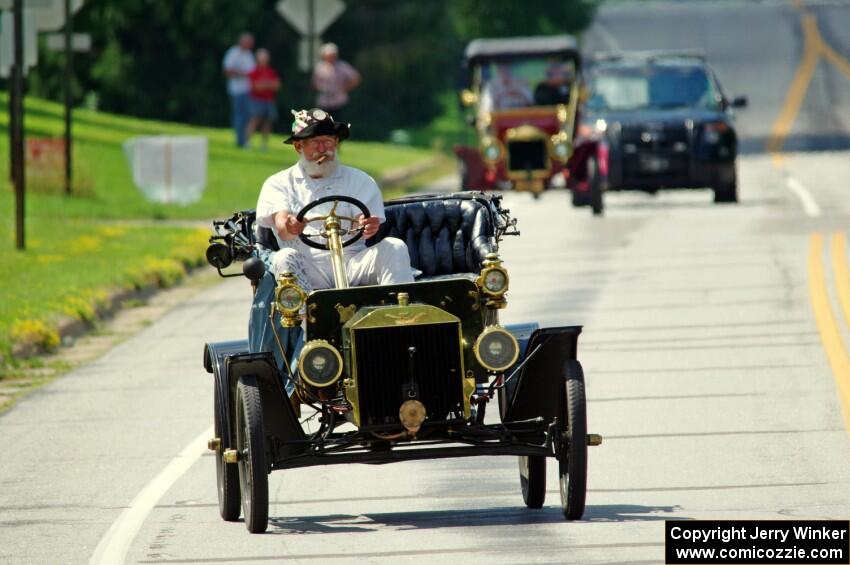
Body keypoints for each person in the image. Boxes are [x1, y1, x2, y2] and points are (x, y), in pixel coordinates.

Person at [256, 108, 413, 291]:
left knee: (394, 246)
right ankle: (303, 315)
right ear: (298, 147)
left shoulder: (359, 179)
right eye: (315, 143)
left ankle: (398, 313)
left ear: (336, 142)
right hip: (307, 266)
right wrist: (291, 226)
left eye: (328, 142)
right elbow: (282, 226)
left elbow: (365, 220)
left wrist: (368, 225)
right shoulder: (279, 183)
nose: (323, 150)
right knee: (284, 257)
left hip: (352, 263)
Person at [311, 43, 361, 122]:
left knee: (338, 122)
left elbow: (355, 78)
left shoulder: (342, 66)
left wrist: (346, 88)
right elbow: (315, 82)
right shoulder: (320, 67)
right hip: (324, 100)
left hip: (339, 100)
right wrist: (322, 88)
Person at [222, 32, 256, 148]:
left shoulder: (249, 54)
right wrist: (242, 74)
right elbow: (227, 70)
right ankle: (240, 140)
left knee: (248, 116)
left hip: (248, 90)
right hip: (237, 90)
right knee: (240, 116)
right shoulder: (234, 53)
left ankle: (244, 139)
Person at [245, 48, 281, 150]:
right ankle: (248, 142)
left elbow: (277, 86)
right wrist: (268, 84)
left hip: (269, 100)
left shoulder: (271, 72)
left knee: (268, 122)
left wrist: (264, 84)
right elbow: (256, 87)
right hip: (256, 100)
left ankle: (264, 144)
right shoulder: (254, 71)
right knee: (254, 121)